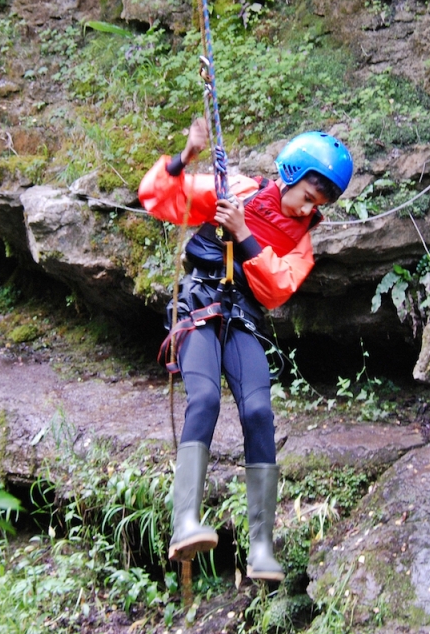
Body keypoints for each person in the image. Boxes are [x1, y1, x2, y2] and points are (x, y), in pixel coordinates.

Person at [138, 117, 353, 581]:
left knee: (258, 411)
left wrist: (244, 233)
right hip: (199, 307)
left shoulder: (303, 244)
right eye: (306, 198)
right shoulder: (238, 188)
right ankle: (185, 523)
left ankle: (261, 547)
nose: (305, 211)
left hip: (243, 321)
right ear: (290, 178)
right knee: (207, 400)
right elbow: (159, 198)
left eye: (318, 205)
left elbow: (276, 289)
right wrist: (184, 158)